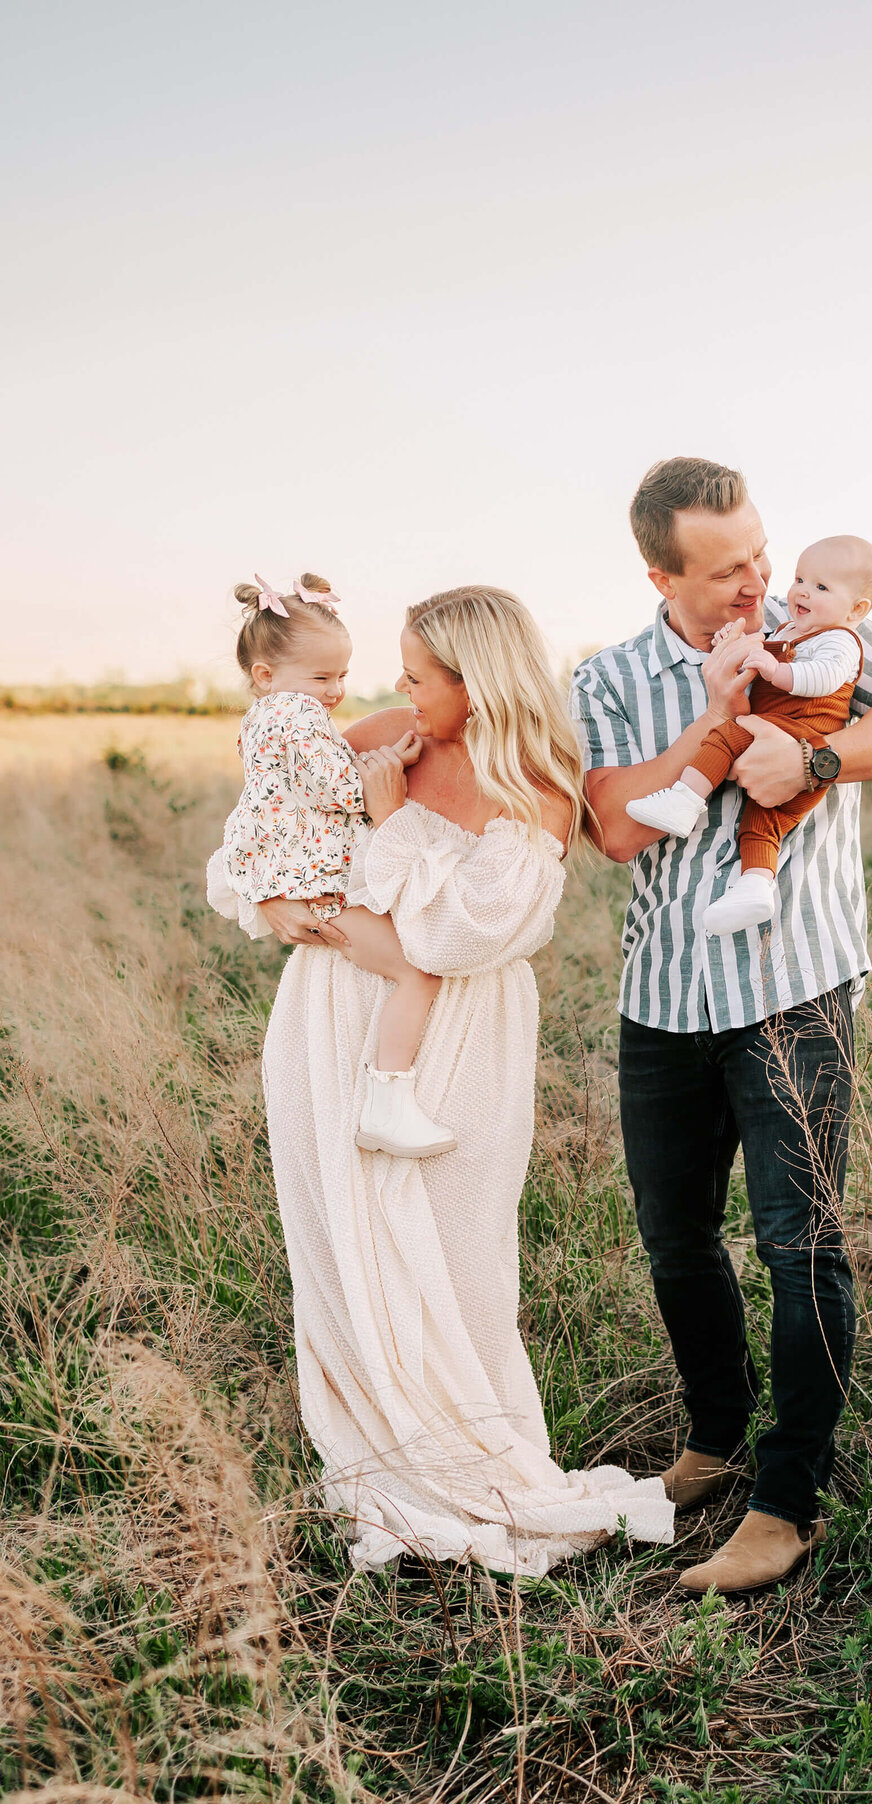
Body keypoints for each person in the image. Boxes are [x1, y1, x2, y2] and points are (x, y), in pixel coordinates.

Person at [211, 585, 674, 1577]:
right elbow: (254, 836)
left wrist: (388, 832)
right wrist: (280, 901)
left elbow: (463, 934)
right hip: (332, 1010)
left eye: (418, 674)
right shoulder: (384, 736)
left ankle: (471, 1455)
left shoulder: (539, 780)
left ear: (477, 680)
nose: (395, 687)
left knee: (460, 1250)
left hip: (463, 1031)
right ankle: (381, 1458)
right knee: (344, 1236)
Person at [571, 458, 872, 1595]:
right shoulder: (610, 674)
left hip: (795, 986)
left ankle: (787, 1498)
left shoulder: (823, 625)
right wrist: (711, 717)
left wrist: (819, 757)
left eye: (760, 552)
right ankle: (713, 1432)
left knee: (803, 1246)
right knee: (676, 1238)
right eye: (729, 567)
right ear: (662, 573)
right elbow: (610, 828)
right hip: (663, 994)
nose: (758, 580)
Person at [208, 572, 454, 1158]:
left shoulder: (273, 716)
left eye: (342, 675)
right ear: (265, 676)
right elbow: (343, 788)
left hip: (303, 879)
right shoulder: (292, 715)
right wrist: (390, 766)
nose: (336, 690)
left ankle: (386, 1099)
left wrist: (383, 757)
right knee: (417, 972)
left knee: (411, 969)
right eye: (323, 676)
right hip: (318, 885)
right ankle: (388, 1100)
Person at [626, 535, 872, 934]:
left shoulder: (840, 639)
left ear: (857, 609)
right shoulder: (790, 628)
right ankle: (756, 886)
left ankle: (685, 799)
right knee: (761, 823)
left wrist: (774, 669)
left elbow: (823, 677)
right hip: (784, 736)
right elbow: (760, 648)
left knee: (730, 733)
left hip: (804, 735)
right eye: (800, 578)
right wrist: (734, 644)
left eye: (821, 587)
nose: (801, 591)